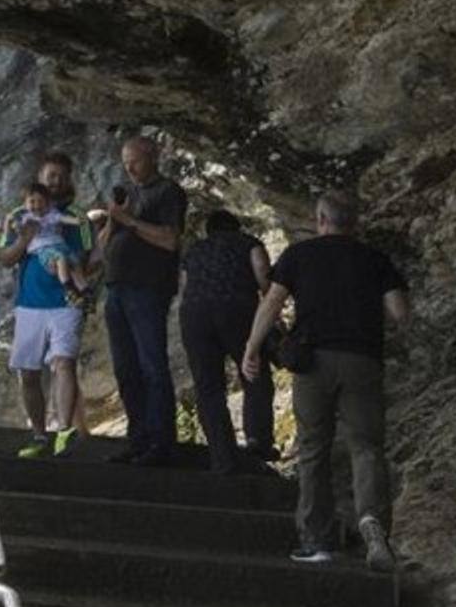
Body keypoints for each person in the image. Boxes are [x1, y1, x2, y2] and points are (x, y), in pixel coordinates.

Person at [244, 189, 412, 573]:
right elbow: (399, 312)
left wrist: (252, 347)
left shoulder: (300, 256)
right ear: (355, 222)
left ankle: (316, 540)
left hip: (313, 362)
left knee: (313, 448)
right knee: (367, 447)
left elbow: (271, 303)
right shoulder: (375, 259)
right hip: (362, 360)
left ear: (320, 220)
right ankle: (373, 525)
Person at [90, 134, 189, 465]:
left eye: (135, 160)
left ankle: (161, 441)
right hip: (116, 288)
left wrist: (129, 221)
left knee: (151, 365)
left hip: (147, 288)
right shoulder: (127, 195)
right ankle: (138, 437)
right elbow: (104, 246)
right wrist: (112, 219)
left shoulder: (167, 192)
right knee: (125, 368)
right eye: (125, 162)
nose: (129, 167)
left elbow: (170, 241)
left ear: (153, 157)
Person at [176, 206, 276, 475]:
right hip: (237, 308)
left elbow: (185, 288)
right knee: (254, 372)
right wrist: (272, 313)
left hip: (194, 314)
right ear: (235, 227)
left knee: (208, 388)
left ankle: (222, 458)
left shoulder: (194, 251)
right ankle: (258, 440)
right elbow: (264, 275)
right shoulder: (248, 243)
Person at [0, 176, 88, 454]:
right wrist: (25, 238)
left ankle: (64, 431)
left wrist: (67, 266)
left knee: (63, 363)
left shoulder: (73, 216)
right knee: (28, 372)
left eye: (61, 177)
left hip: (65, 304)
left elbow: (86, 256)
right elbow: (5, 258)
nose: (56, 182)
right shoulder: (18, 216)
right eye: (50, 177)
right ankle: (38, 434)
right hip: (29, 305)